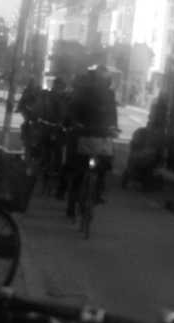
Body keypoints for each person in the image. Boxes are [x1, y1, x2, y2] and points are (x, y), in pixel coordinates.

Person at [64, 66, 118, 217]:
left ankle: (98, 191)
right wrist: (74, 123)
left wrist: (113, 127)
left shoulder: (109, 94)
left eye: (104, 79)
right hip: (84, 133)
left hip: (100, 134)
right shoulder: (84, 91)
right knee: (77, 169)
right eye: (100, 79)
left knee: (104, 165)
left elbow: (113, 113)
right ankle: (71, 204)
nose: (102, 82)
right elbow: (73, 109)